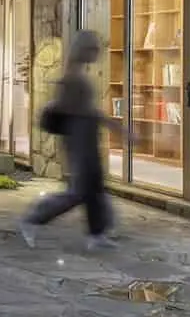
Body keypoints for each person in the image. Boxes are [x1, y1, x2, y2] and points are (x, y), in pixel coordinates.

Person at [19, 30, 123, 250]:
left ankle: (98, 234)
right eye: (94, 48)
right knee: (79, 191)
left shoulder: (78, 74)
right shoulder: (73, 77)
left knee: (94, 187)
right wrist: (113, 125)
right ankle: (34, 218)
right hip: (79, 138)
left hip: (85, 136)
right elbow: (81, 110)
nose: (98, 53)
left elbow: (84, 109)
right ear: (83, 49)